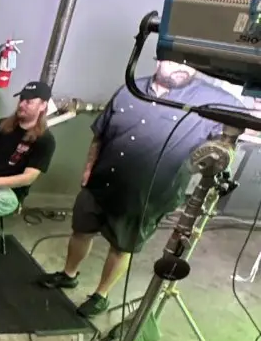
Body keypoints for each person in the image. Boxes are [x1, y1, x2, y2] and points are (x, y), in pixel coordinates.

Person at [40, 60, 240, 317]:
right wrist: (89, 168)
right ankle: (69, 274)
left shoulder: (213, 100)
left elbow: (238, 127)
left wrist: (226, 146)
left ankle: (101, 295)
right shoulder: (129, 89)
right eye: (175, 60)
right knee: (81, 230)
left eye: (190, 63)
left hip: (147, 195)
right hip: (102, 181)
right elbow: (101, 134)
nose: (184, 67)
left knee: (121, 247)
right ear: (159, 59)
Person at [0, 80, 55, 267]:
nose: (22, 104)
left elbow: (29, 177)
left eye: (29, 101)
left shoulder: (45, 140)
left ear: (43, 106)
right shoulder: (3, 125)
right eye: (21, 99)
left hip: (10, 193)